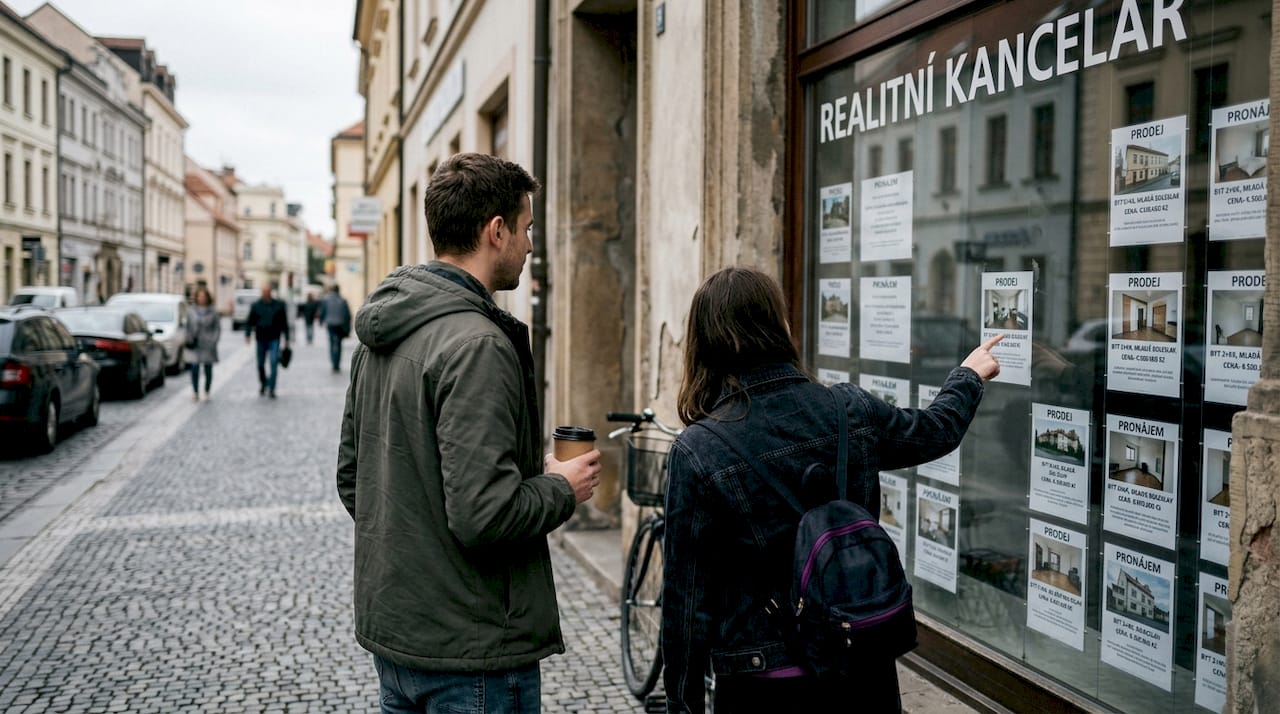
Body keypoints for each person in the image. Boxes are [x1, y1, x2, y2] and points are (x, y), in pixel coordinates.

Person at [661, 267, 1003, 714]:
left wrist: (682, 706)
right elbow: (935, 431)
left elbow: (685, 609)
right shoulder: (848, 409)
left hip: (763, 680)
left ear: (705, 342)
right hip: (859, 666)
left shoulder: (699, 450)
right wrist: (968, 375)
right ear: (778, 326)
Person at [336, 152, 602, 714]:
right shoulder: (476, 344)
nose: (531, 245)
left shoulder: (384, 331)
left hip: (402, 638)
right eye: (527, 229)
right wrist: (562, 487)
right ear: (496, 230)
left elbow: (353, 480)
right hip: (472, 653)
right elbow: (485, 514)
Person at [244, 284, 290, 399]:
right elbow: (250, 321)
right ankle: (263, 382)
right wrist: (248, 335)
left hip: (274, 338)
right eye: (263, 291)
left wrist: (287, 338)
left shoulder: (279, 305)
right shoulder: (256, 305)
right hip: (261, 338)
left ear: (271, 292)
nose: (265, 293)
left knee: (274, 362)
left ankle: (272, 388)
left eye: (267, 291)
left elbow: (284, 323)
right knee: (260, 364)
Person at [186, 286, 221, 401]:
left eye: (204, 296)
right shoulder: (191, 311)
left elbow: (217, 328)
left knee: (208, 369)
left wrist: (214, 340)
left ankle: (206, 390)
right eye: (199, 296)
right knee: (194, 367)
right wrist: (188, 338)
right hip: (195, 343)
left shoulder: (213, 311)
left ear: (207, 298)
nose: (201, 298)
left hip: (208, 344)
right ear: (196, 297)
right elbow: (187, 326)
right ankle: (195, 392)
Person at [317, 284, 351, 373]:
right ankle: (337, 364)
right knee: (338, 344)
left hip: (330, 324)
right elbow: (347, 315)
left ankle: (333, 363)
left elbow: (322, 311)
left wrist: (321, 321)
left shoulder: (326, 300)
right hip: (340, 324)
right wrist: (348, 327)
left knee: (332, 343)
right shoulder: (343, 300)